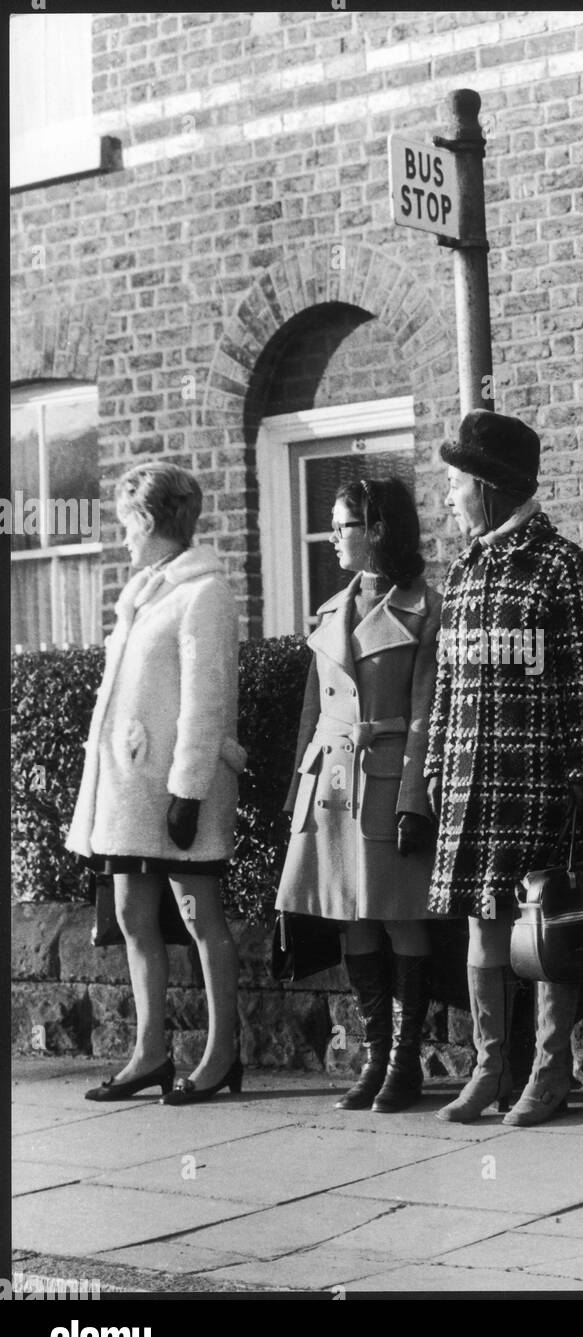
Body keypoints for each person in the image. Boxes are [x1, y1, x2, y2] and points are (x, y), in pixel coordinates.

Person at [426, 409, 583, 1127]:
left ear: (489, 486)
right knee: (483, 923)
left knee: (544, 931)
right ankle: (488, 1068)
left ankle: (549, 1070)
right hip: (472, 779)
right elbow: (447, 681)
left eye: (454, 483)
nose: (448, 497)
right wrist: (439, 760)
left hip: (537, 777)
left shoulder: (563, 566)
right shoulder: (466, 566)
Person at [66, 463, 246, 1105]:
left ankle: (222, 1053)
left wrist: (190, 791)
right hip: (128, 789)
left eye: (125, 523)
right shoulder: (142, 593)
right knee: (130, 913)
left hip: (175, 790)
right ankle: (149, 1053)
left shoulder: (205, 593)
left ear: (147, 519)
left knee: (200, 918)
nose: (123, 538)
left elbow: (208, 701)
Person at [276, 478, 442, 1113]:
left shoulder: (429, 607)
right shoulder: (330, 611)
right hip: (333, 783)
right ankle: (374, 1056)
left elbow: (429, 713)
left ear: (376, 529)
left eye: (343, 524)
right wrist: (298, 793)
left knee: (400, 915)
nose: (332, 535)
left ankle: (406, 1062)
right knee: (351, 913)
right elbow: (313, 716)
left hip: (388, 778)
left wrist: (414, 799)